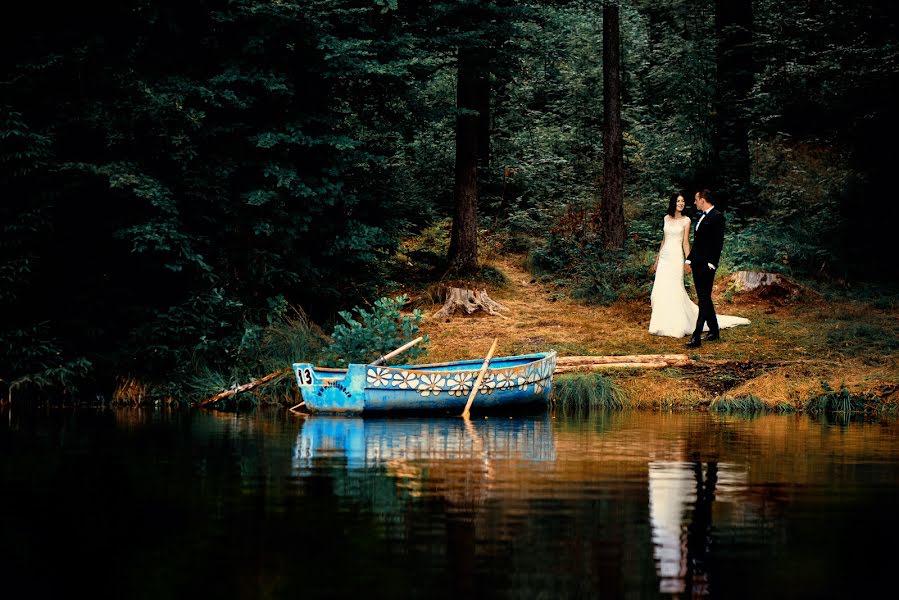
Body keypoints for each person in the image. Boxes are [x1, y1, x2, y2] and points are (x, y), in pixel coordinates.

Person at [648, 191, 749, 340]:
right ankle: (665, 323)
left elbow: (696, 243)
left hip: (683, 259)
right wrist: (658, 260)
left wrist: (692, 260)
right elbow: (667, 241)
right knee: (664, 290)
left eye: (685, 200)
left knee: (694, 294)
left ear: (702, 200)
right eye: (678, 201)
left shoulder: (695, 219)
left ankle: (693, 331)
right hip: (666, 258)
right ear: (673, 203)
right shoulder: (678, 218)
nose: (684, 203)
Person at [683, 189, 748, 347]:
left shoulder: (717, 217)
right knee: (704, 298)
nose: (694, 202)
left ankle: (696, 335)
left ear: (703, 200)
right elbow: (698, 243)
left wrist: (712, 264)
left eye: (696, 199)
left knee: (704, 299)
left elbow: (717, 244)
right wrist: (689, 260)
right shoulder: (700, 217)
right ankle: (714, 330)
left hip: (707, 266)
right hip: (697, 263)